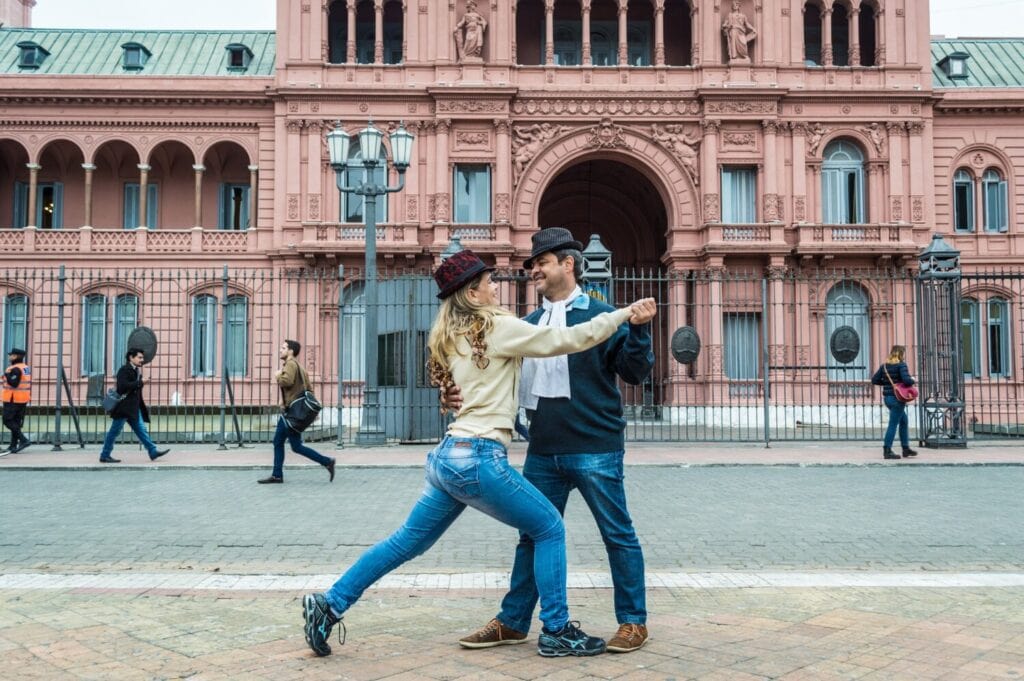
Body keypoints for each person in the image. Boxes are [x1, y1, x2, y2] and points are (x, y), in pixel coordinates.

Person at [300, 249, 657, 659]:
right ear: (472, 293)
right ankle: (556, 630)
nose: (495, 286)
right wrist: (622, 314)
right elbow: (570, 339)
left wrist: (450, 393)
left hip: (447, 458)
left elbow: (460, 388)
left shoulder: (449, 334)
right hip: (481, 457)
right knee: (549, 529)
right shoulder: (499, 326)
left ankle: (330, 604)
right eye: (488, 282)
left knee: (405, 543)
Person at [450, 227, 656, 655]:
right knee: (532, 535)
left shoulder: (601, 316)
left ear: (568, 264)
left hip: (596, 447)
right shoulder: (526, 326)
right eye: (532, 264)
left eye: (541, 263)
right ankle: (513, 621)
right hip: (543, 450)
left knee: (617, 534)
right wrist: (452, 392)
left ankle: (633, 622)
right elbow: (489, 376)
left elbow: (635, 373)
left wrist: (637, 331)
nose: (534, 271)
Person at [258, 340, 336, 484]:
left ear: (291, 351)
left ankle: (277, 475)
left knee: (278, 441)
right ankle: (327, 461)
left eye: (283, 348)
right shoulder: (299, 367)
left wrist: (277, 375)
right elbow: (308, 389)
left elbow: (286, 381)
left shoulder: (290, 364)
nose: (280, 350)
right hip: (296, 412)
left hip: (291, 414)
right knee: (296, 446)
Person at [99, 348, 170, 463]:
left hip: (133, 408)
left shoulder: (136, 371)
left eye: (142, 358)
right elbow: (122, 387)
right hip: (123, 408)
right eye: (139, 357)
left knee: (141, 430)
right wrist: (141, 382)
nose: (142, 360)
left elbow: (135, 390)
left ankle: (152, 451)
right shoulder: (124, 370)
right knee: (114, 432)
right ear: (131, 357)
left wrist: (140, 384)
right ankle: (104, 455)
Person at [871, 344, 919, 460]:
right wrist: (912, 380)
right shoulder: (901, 365)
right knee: (893, 424)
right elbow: (907, 381)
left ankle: (906, 449)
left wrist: (888, 385)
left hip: (888, 398)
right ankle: (887, 450)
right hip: (898, 399)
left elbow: (874, 380)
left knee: (904, 421)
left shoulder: (885, 366)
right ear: (901, 354)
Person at [1, 347, 32, 456]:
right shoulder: (25, 368)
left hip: (13, 399)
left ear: (16, 356)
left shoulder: (15, 369)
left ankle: (24, 440)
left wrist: (7, 375)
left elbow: (13, 383)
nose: (9, 357)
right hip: (22, 399)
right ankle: (13, 445)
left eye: (11, 355)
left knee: (7, 420)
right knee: (16, 422)